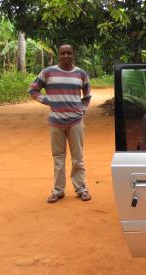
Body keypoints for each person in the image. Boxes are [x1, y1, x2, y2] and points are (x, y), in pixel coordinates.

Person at [29, 44, 92, 203]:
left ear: (73, 55)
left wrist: (82, 110)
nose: (65, 56)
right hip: (56, 122)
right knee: (58, 158)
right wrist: (48, 101)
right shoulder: (48, 72)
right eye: (62, 53)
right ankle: (58, 191)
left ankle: (81, 189)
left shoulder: (81, 74)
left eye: (68, 53)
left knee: (78, 158)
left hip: (76, 122)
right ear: (58, 55)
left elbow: (87, 95)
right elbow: (33, 90)